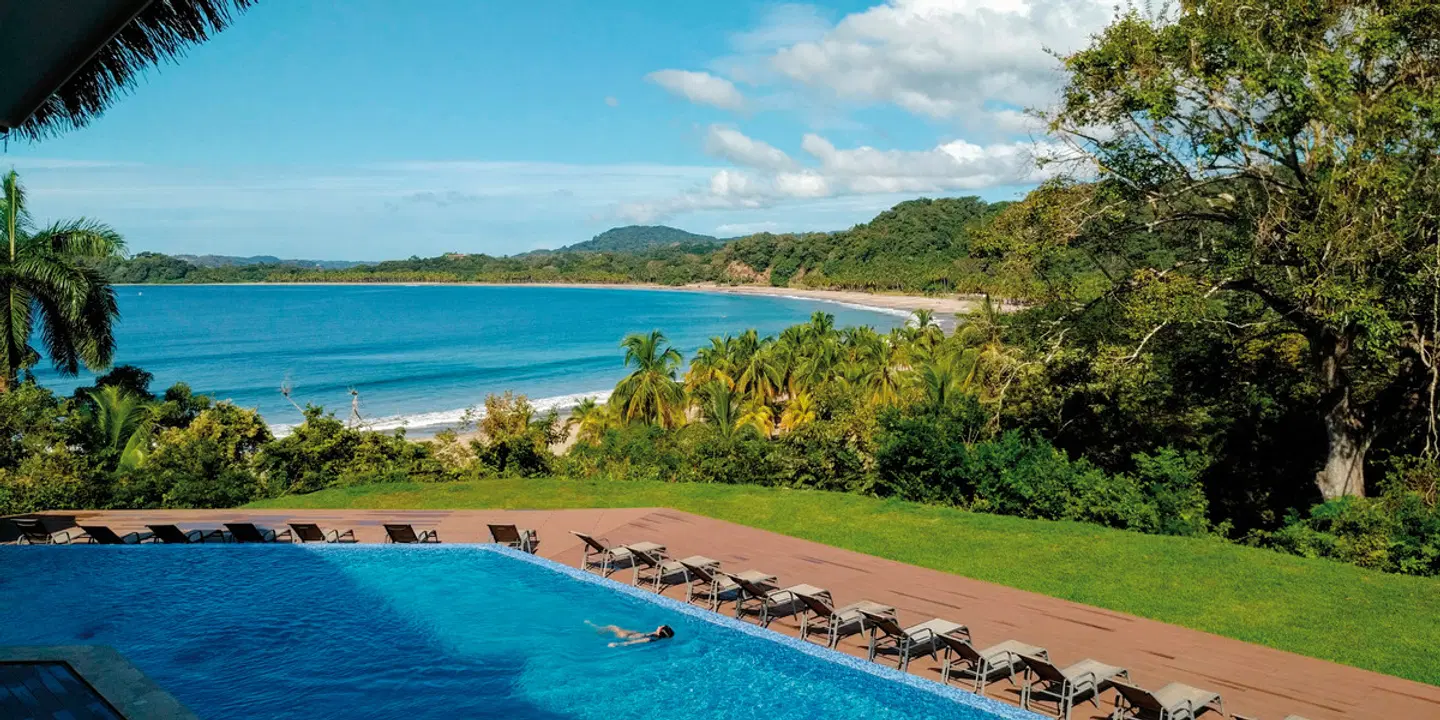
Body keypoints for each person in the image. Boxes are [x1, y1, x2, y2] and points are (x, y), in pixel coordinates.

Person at [586, 620, 676, 647]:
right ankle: (596, 629)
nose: (659, 625)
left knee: (612, 626)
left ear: (660, 630)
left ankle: (595, 629)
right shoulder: (656, 636)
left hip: (626, 636)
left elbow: (634, 642)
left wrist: (617, 644)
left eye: (661, 626)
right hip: (632, 634)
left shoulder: (649, 639)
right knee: (613, 626)